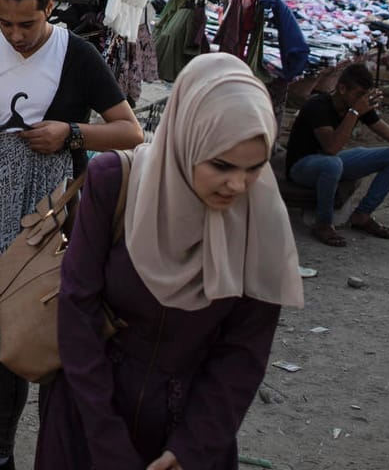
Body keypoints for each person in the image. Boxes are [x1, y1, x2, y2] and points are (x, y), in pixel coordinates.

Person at [35, 53, 302, 470]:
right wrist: (108, 443)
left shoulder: (259, 220)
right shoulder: (116, 183)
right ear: (185, 139)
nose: (238, 185)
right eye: (221, 164)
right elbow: (77, 309)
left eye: (255, 168)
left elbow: (244, 352)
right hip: (89, 421)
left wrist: (191, 448)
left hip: (187, 436)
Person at [0, 0, 143, 470]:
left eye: (27, 24)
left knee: (53, 335)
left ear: (49, 8)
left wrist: (69, 134)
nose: (15, 35)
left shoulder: (78, 54)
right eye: (4, 23)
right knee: (4, 333)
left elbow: (129, 131)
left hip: (58, 225)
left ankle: (59, 455)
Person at [285, 62, 389, 247]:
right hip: (302, 167)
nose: (362, 100)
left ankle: (362, 214)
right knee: (332, 164)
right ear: (342, 88)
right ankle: (323, 223)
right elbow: (331, 148)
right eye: (359, 94)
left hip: (332, 162)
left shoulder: (356, 107)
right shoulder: (318, 105)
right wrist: (355, 112)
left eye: (364, 95)